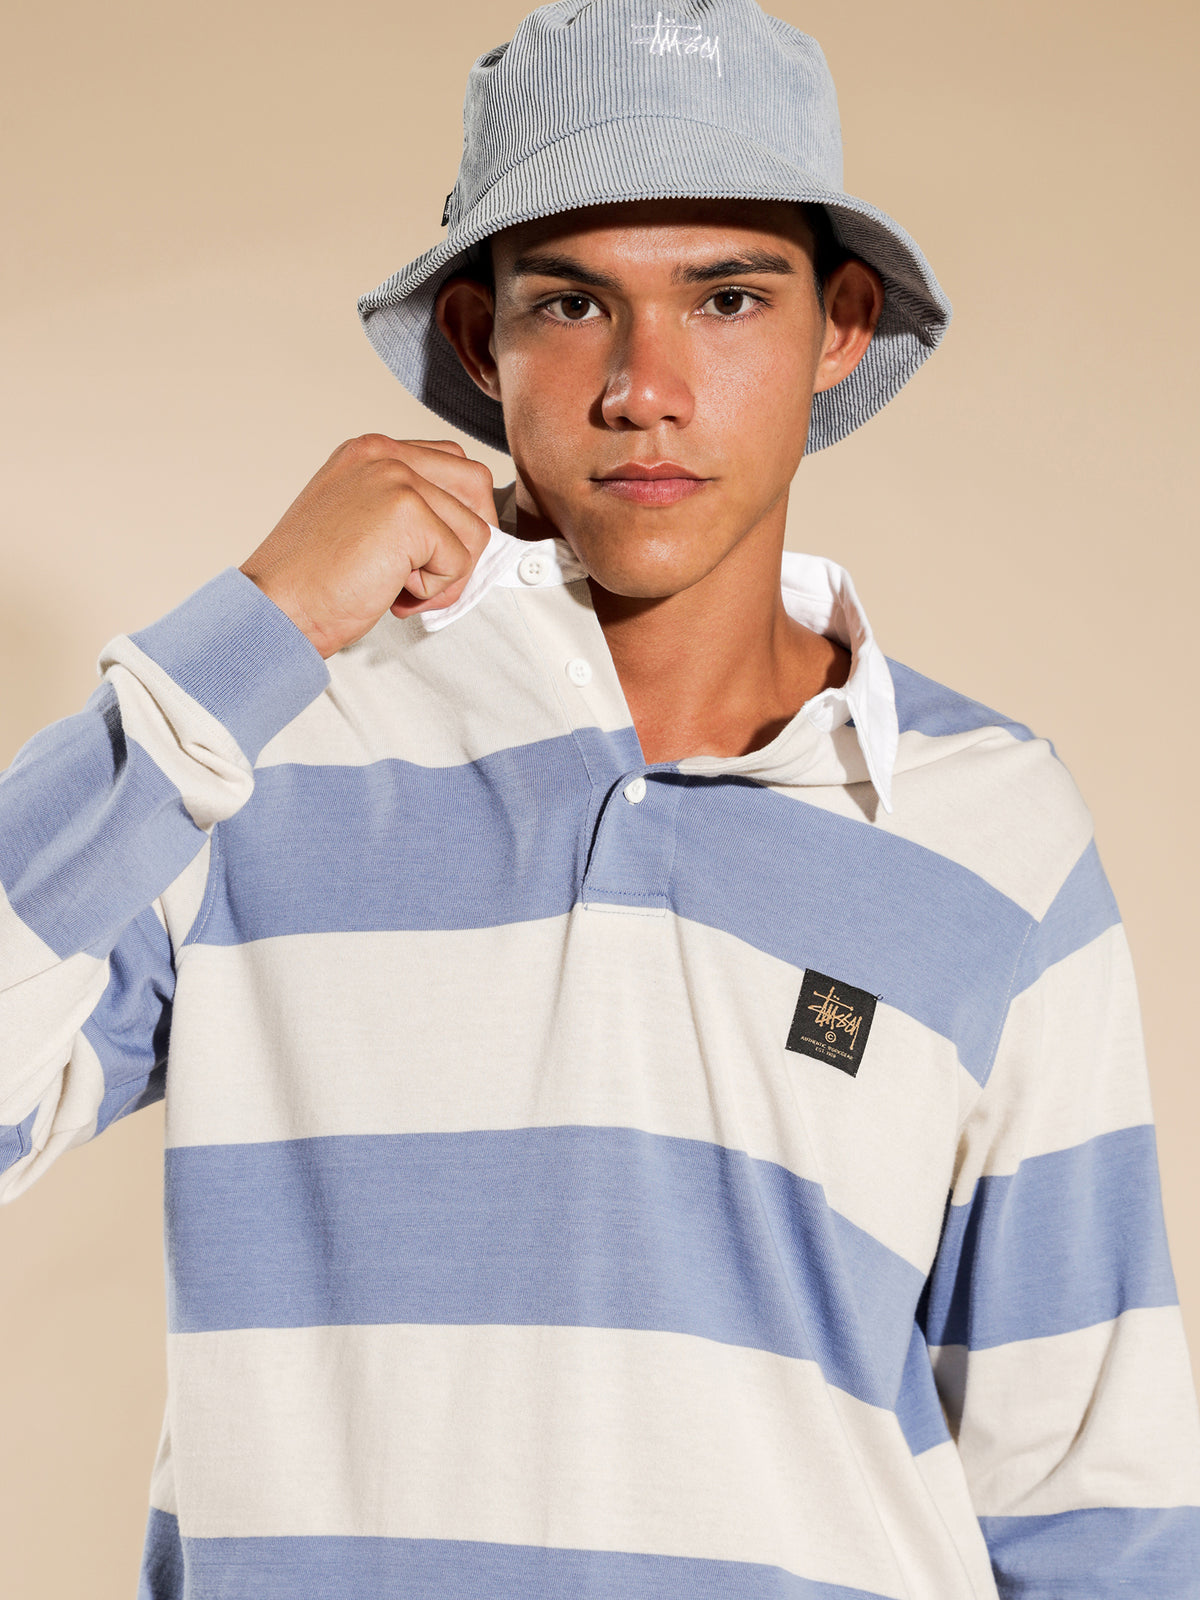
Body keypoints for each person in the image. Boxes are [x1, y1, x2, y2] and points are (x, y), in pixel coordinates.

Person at [2, 1, 1197, 1595]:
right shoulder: (262, 748)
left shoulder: (993, 827)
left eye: (728, 297)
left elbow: (1093, 1497)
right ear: (477, 340)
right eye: (572, 303)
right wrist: (259, 631)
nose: (647, 386)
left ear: (838, 326)